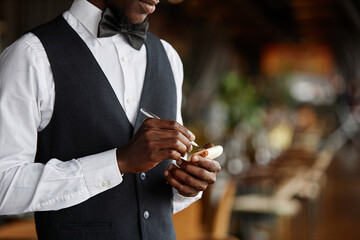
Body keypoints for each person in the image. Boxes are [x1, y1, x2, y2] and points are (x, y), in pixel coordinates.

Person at [0, 0, 221, 239]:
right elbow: (3, 185)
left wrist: (185, 186)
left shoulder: (169, 57)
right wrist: (118, 162)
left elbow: (154, 198)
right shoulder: (32, 55)